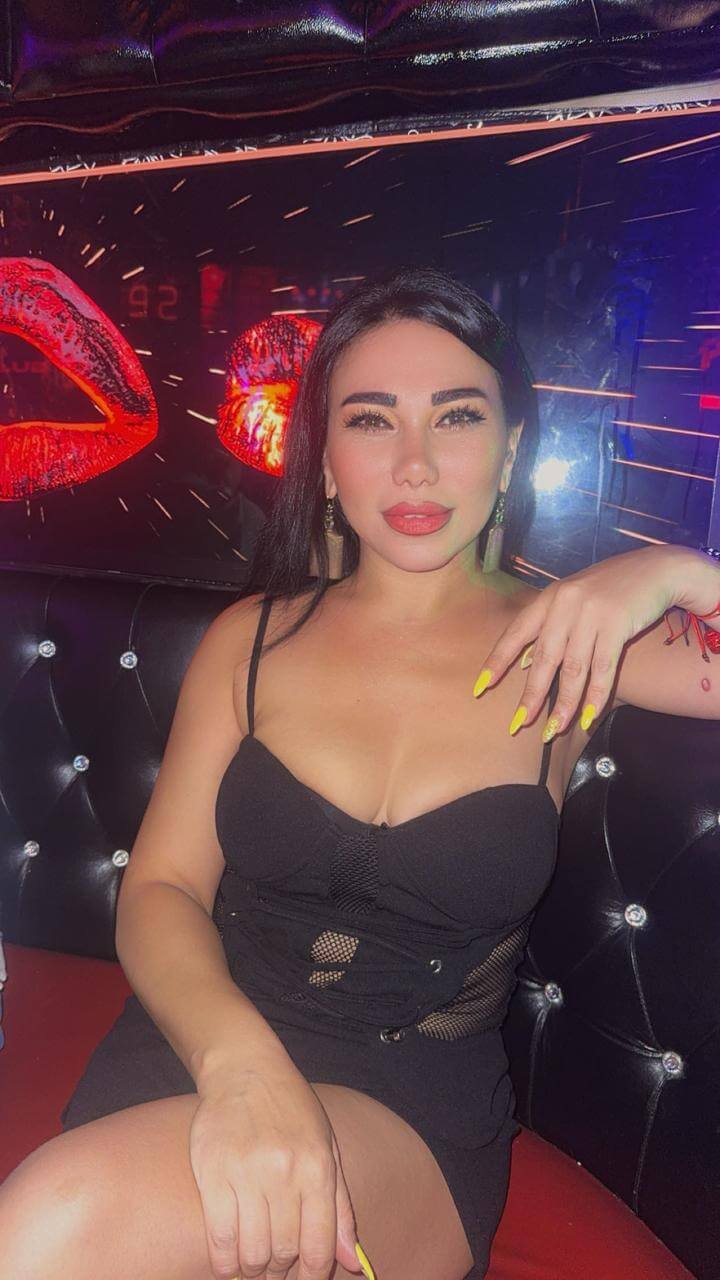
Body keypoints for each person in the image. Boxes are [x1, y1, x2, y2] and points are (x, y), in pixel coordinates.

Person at [1, 264, 717, 1280]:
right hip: (203, 1041)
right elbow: (160, 888)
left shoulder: (572, 646)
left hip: (410, 1107)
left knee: (52, 1222)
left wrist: (673, 571)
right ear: (327, 461)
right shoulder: (251, 639)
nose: (415, 465)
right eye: (372, 421)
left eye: (456, 417)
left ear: (512, 449)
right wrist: (242, 1070)